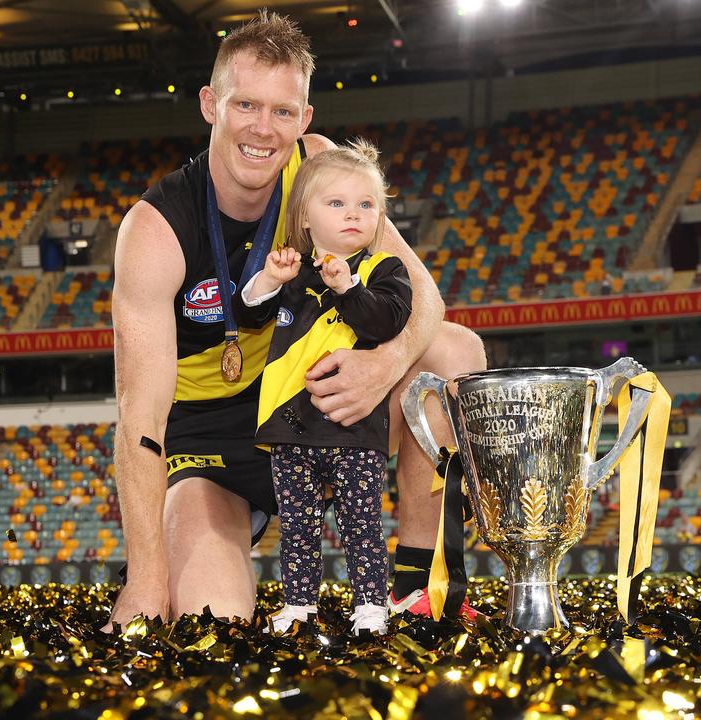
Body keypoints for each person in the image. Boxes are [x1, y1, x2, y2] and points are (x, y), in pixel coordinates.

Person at [105, 11, 485, 629]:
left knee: (454, 353)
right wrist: (147, 583)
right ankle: (180, 559)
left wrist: (380, 365)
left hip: (316, 406)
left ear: (306, 119)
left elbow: (427, 299)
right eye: (246, 104)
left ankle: (419, 587)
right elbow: (139, 419)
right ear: (210, 104)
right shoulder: (156, 229)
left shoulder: (319, 168)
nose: (263, 128)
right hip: (213, 447)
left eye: (283, 111)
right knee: (212, 619)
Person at [235, 140, 410, 635]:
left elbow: (384, 324)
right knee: (298, 526)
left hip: (354, 428)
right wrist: (267, 280)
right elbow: (247, 315)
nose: (353, 214)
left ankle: (371, 606)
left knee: (360, 525)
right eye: (336, 203)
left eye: (366, 204)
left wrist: (346, 288)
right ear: (305, 217)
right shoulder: (289, 270)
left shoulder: (384, 271)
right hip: (291, 426)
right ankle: (299, 605)